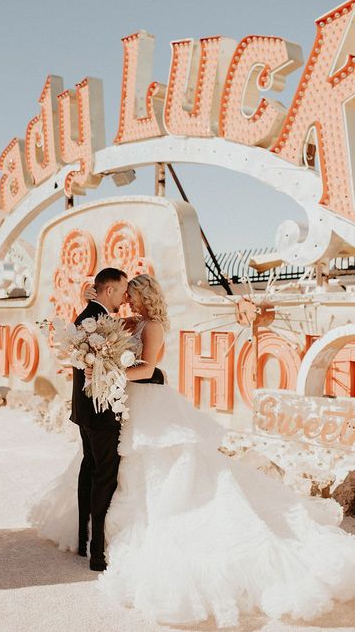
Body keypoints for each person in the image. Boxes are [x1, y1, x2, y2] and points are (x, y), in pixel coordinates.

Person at [29, 273, 355, 628]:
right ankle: (92, 537)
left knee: (148, 467)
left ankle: (102, 542)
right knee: (107, 467)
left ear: (144, 297)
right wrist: (87, 297)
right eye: (124, 292)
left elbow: (148, 367)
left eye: (132, 293)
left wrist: (111, 370)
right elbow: (97, 323)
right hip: (123, 404)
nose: (127, 298)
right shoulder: (126, 320)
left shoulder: (151, 326)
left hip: (144, 401)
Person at [70, 266, 128, 571]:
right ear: (108, 290)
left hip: (85, 410)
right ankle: (97, 552)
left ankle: (83, 539)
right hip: (100, 412)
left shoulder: (86, 316)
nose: (125, 296)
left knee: (88, 469)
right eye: (122, 290)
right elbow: (101, 366)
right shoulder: (98, 322)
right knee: (105, 477)